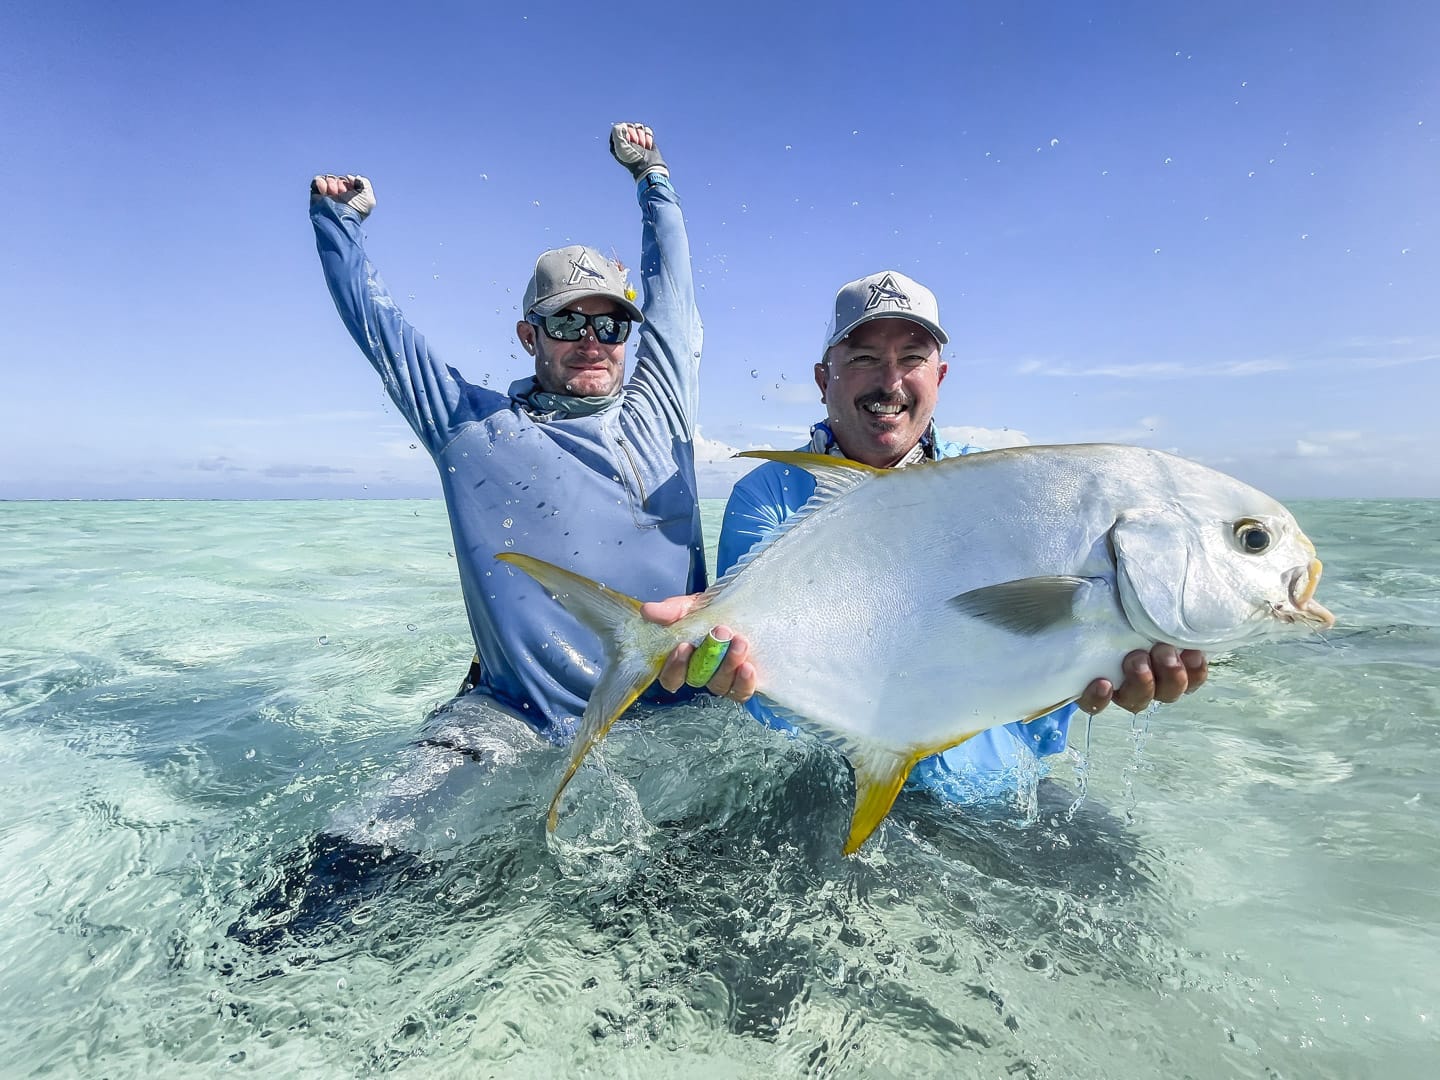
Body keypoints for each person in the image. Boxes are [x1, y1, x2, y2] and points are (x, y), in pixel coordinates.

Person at [649, 270, 1207, 794]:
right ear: (824, 379)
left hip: (992, 786)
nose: (889, 382)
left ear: (938, 377)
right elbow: (761, 666)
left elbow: (1038, 641)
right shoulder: (767, 492)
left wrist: (1103, 666)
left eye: (911, 359)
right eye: (865, 358)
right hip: (823, 785)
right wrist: (725, 663)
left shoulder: (1007, 486)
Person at [309, 123, 712, 744]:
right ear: (529, 336)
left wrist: (653, 179)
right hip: (511, 723)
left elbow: (672, 294)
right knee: (361, 842)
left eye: (610, 328)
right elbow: (379, 330)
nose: (591, 343)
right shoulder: (469, 426)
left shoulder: (661, 406)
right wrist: (338, 225)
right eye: (567, 323)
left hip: (676, 717)